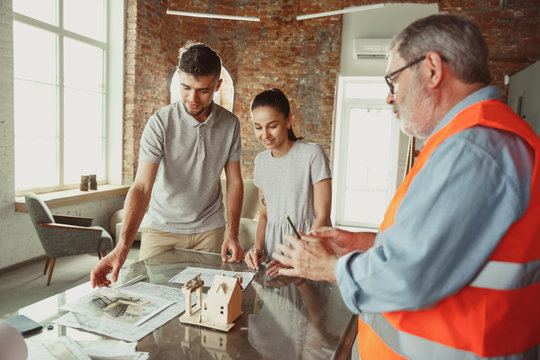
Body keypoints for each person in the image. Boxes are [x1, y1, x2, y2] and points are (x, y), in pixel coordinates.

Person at [273, 14, 540, 359]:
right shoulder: (463, 141)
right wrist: (362, 244)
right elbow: (438, 247)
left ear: (432, 69)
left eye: (393, 81)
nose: (389, 98)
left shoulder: (474, 149)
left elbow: (408, 275)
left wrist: (323, 267)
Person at [91, 42, 245, 288]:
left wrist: (232, 234)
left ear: (217, 85)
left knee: (203, 305)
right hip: (161, 231)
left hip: (210, 230)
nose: (192, 98)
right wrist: (122, 247)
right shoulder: (159, 123)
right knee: (150, 301)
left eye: (203, 90)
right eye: (185, 87)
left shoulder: (230, 124)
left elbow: (235, 182)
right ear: (178, 79)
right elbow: (142, 187)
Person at [245, 89, 332, 275]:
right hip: (274, 252)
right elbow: (264, 215)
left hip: (309, 248)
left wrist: (297, 256)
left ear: (288, 120)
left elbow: (322, 215)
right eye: (258, 127)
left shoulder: (312, 154)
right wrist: (257, 250)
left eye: (272, 126)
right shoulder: (261, 161)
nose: (265, 134)